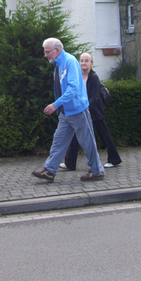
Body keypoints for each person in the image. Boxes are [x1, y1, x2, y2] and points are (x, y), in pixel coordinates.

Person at [32, 38, 105, 182]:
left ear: (57, 50)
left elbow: (73, 88)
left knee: (87, 141)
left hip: (77, 110)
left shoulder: (69, 61)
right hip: (66, 113)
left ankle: (97, 171)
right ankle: (49, 171)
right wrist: (60, 107)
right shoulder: (59, 63)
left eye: (47, 52)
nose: (45, 55)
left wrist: (55, 104)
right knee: (58, 142)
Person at [60, 53, 122, 170]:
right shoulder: (78, 76)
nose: (83, 63)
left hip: (94, 112)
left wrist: (85, 107)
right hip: (82, 111)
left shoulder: (94, 77)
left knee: (104, 135)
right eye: (82, 60)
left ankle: (114, 159)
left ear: (91, 63)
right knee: (75, 135)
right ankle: (70, 163)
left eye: (86, 61)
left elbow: (95, 97)